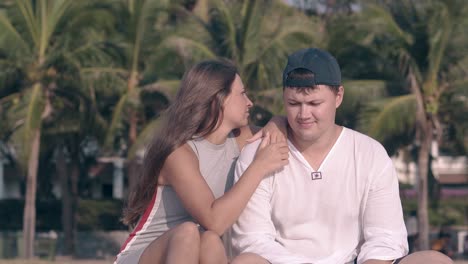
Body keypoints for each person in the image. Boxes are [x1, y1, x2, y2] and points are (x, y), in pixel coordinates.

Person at [230, 48, 453, 264]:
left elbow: (386, 236)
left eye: (315, 103)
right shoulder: (256, 155)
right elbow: (252, 239)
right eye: (293, 104)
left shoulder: (370, 154)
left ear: (338, 96)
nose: (304, 114)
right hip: (282, 262)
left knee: (435, 260)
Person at [115, 60, 289, 264]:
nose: (249, 102)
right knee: (190, 232)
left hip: (199, 246)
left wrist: (277, 122)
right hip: (145, 255)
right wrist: (258, 166)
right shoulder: (179, 152)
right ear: (219, 99)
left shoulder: (240, 139)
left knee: (210, 241)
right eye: (242, 94)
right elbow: (214, 220)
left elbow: (285, 130)